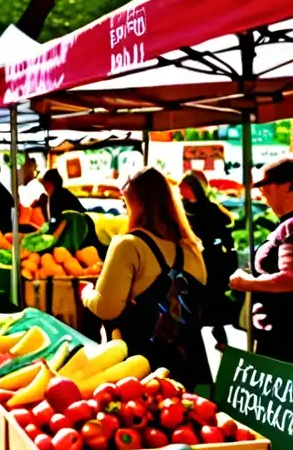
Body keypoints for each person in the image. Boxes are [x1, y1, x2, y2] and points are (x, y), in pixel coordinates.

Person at [81, 167, 208, 386]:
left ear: (134, 202)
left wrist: (86, 293)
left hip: (140, 371)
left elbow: (107, 308)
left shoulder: (128, 245)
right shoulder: (192, 247)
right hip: (187, 367)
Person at [230, 158, 293, 360]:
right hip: (275, 333)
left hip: (284, 337)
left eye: (266, 187)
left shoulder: (290, 226)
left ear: (287, 186)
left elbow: (288, 278)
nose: (262, 194)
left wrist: (245, 282)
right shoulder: (285, 224)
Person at [180, 172, 236, 349]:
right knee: (194, 299)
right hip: (191, 258)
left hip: (212, 260)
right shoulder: (182, 208)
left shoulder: (209, 208)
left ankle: (221, 339)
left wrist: (227, 251)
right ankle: (194, 340)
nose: (182, 191)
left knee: (213, 299)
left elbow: (225, 231)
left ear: (192, 188)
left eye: (185, 187)